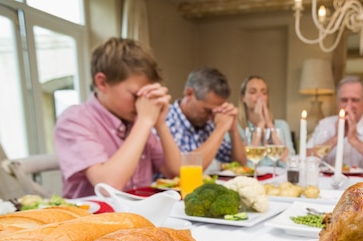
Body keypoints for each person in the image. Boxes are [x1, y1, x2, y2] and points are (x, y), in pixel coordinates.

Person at [55, 37, 180, 199]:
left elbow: (176, 172)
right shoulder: (74, 120)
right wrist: (144, 122)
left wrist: (160, 124)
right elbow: (107, 187)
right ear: (102, 83)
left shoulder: (135, 120)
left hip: (137, 216)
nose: (142, 104)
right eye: (136, 95)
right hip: (94, 219)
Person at [307, 75, 363, 173]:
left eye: (355, 100)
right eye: (344, 100)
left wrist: (354, 140)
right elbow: (304, 160)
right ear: (337, 102)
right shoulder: (325, 124)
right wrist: (337, 137)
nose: (348, 106)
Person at [166, 66, 246, 173]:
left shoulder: (207, 123)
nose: (211, 117)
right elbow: (184, 170)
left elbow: (240, 165)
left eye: (215, 112)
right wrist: (220, 128)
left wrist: (233, 128)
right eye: (208, 110)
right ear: (189, 93)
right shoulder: (165, 119)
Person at [237, 75, 294, 167]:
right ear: (243, 97)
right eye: (253, 92)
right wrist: (260, 124)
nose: (259, 96)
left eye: (264, 92)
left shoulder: (281, 125)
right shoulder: (236, 128)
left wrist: (269, 125)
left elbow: (289, 163)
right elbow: (247, 165)